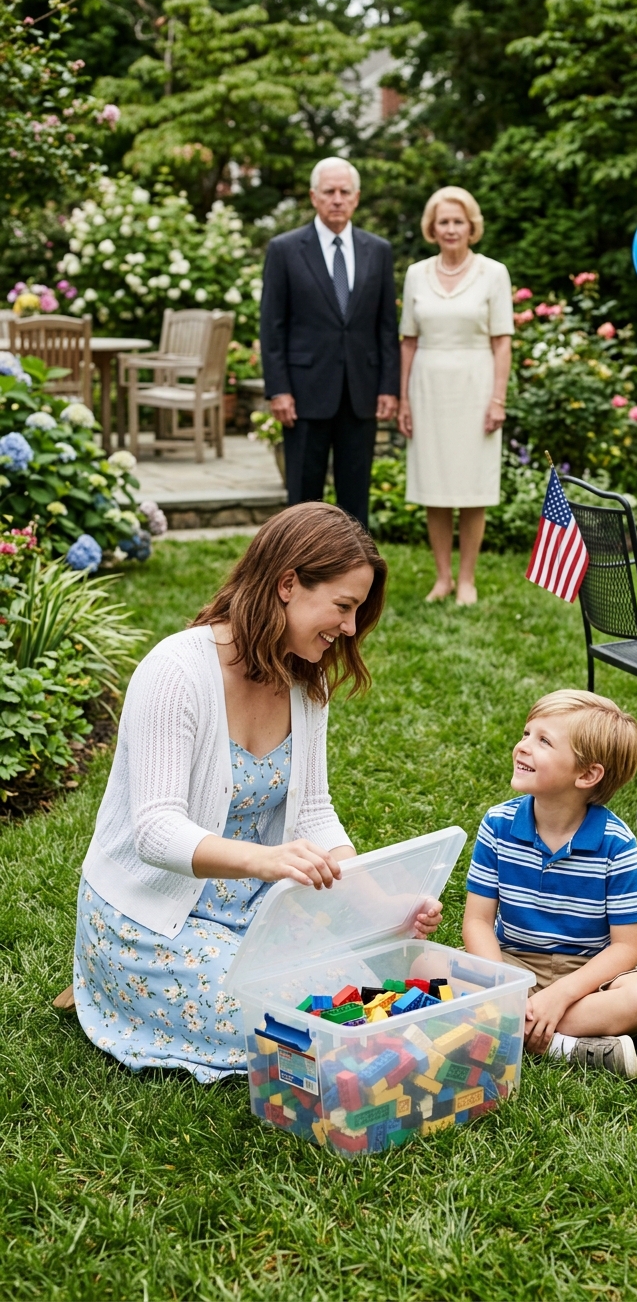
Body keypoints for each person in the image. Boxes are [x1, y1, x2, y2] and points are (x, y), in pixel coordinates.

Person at [62, 505, 442, 1082]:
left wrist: (384, 905)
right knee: (292, 1023)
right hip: (153, 919)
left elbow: (314, 813)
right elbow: (156, 831)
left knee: (354, 993)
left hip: (253, 909)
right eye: (343, 606)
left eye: (357, 610)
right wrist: (268, 861)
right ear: (288, 584)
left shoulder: (305, 684)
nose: (349, 626)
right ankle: (108, 979)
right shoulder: (176, 671)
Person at [462, 690, 637, 1079]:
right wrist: (502, 988)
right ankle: (564, 1045)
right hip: (512, 966)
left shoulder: (615, 842)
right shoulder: (497, 825)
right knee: (432, 964)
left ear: (587, 774)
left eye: (543, 741)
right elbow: (477, 923)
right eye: (527, 733)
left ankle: (516, 1028)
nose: (522, 747)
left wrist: (560, 995)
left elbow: (626, 947)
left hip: (587, 978)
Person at [260, 158, 400, 529]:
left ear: (356, 198)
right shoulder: (285, 249)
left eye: (344, 192)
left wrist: (388, 386)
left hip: (361, 392)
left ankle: (357, 576)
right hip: (304, 395)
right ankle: (300, 571)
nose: (337, 199)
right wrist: (279, 390)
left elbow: (386, 326)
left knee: (356, 499)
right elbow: (272, 326)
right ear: (313, 197)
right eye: (329, 192)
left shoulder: (378, 251)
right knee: (303, 501)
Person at [398, 187, 513, 605]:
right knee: (435, 484)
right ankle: (442, 577)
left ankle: (467, 579)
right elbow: (408, 341)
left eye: (458, 222)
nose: (450, 229)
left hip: (476, 384)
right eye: (443, 221)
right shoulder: (416, 274)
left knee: (472, 486)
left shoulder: (494, 273)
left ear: (471, 227)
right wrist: (404, 399)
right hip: (427, 386)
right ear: (432, 227)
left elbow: (502, 341)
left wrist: (497, 399)